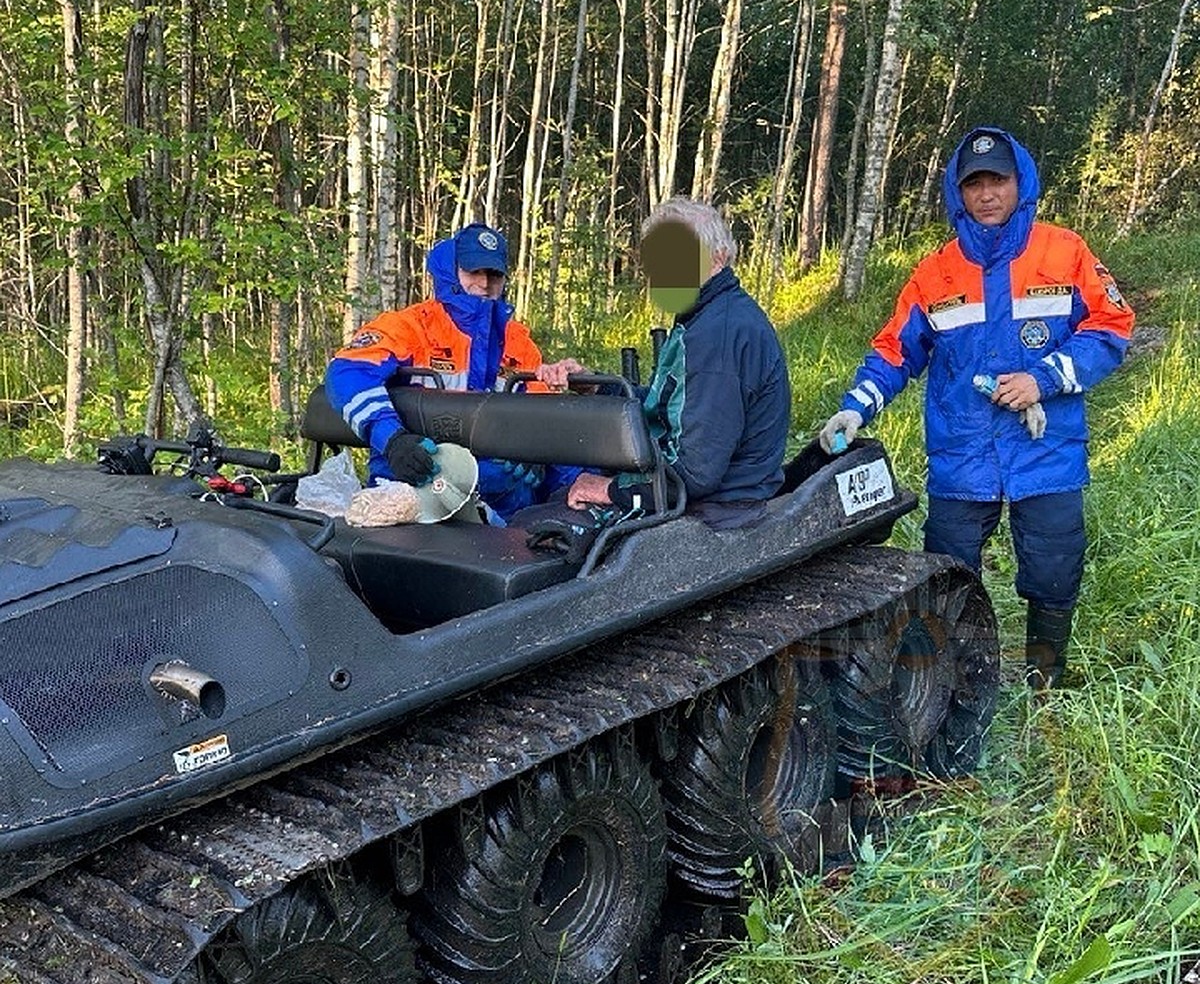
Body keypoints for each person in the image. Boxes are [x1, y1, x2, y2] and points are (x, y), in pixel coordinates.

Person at [819, 126, 1135, 691]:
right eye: (975, 184)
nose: (987, 194)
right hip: (963, 455)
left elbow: (1111, 328)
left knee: (1053, 568)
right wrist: (856, 409)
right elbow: (895, 350)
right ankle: (966, 683)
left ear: (1022, 184)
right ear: (957, 193)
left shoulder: (1064, 252)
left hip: (1046, 449)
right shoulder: (934, 273)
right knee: (948, 572)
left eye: (999, 181)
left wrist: (1046, 379)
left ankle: (1045, 677)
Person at [326, 222, 585, 522]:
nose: (484, 284)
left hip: (500, 502)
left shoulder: (517, 341)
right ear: (451, 271)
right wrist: (392, 439)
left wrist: (537, 452)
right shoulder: (410, 326)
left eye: (494, 274)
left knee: (572, 480)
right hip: (415, 484)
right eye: (473, 272)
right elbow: (347, 372)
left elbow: (542, 419)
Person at [567, 197, 791, 530]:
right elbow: (676, 407)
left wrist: (612, 490)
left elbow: (696, 471)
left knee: (544, 526)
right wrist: (600, 387)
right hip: (708, 497)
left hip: (719, 512)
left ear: (718, 256)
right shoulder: (706, 316)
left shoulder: (718, 335)